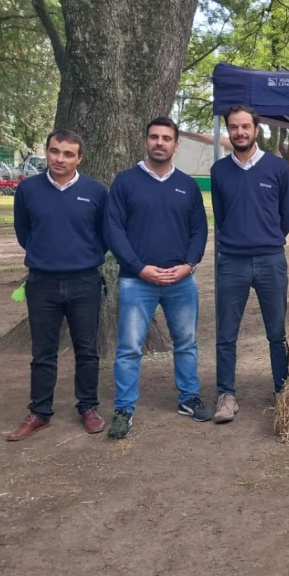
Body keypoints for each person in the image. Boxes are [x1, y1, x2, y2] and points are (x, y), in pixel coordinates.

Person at [104, 117, 209, 439]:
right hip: (138, 281)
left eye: (166, 138)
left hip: (181, 281)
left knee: (187, 344)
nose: (160, 142)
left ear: (176, 145)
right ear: (146, 141)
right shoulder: (125, 182)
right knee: (129, 348)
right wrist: (138, 267)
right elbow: (113, 229)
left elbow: (199, 229)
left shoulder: (187, 186)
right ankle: (124, 409)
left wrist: (189, 264)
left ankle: (188, 397)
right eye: (154, 137)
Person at [7, 130, 108, 441]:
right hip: (42, 283)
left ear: (79, 158)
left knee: (87, 350)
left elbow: (103, 235)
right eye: (54, 151)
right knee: (43, 353)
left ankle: (88, 407)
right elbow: (25, 233)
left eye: (67, 154)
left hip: (85, 281)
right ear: (47, 152)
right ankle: (39, 412)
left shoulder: (95, 191)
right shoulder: (28, 191)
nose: (59, 158)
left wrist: (80, 258)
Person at [211, 105, 289, 424]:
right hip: (231, 261)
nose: (240, 132)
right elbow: (220, 217)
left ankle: (282, 389)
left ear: (256, 130)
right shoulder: (219, 171)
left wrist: (268, 239)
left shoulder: (277, 167)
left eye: (245, 126)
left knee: (276, 332)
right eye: (234, 127)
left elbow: (287, 216)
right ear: (229, 131)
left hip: (271, 260)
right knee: (226, 334)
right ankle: (226, 395)